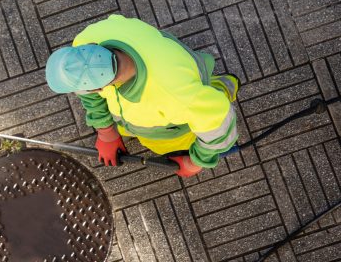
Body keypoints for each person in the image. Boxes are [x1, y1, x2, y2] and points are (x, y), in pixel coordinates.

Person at [45, 14, 239, 177]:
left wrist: (196, 162)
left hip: (174, 120)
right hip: (173, 67)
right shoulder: (89, 38)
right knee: (196, 100)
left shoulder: (174, 97)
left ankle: (223, 87)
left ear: (100, 88)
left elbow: (219, 124)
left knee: (199, 117)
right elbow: (88, 91)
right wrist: (107, 133)